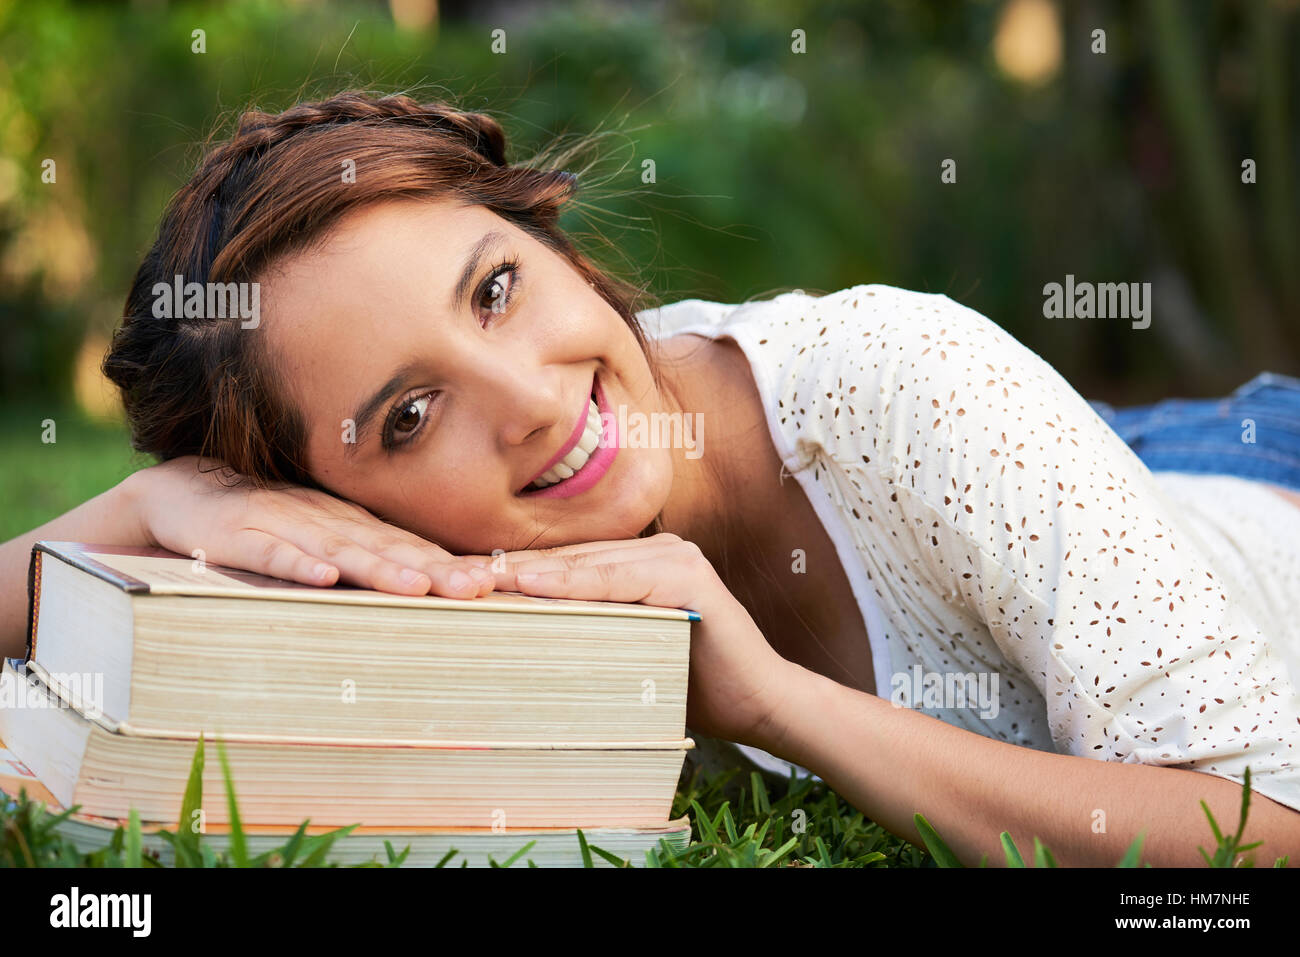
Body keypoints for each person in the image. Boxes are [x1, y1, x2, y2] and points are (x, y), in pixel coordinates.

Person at [2, 92, 1298, 866]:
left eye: (495, 290)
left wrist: (776, 702)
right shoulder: (420, 562)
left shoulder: (907, 386)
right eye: (408, 414)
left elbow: (1258, 834)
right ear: (336, 505)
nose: (529, 400)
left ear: (545, 224)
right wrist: (143, 507)